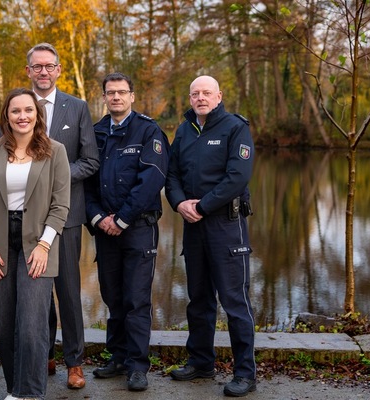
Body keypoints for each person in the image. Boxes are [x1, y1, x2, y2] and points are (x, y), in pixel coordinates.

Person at [0, 88, 70, 400]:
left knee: (31, 324)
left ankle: (30, 393)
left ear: (37, 114)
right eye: (16, 111)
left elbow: (60, 206)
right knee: (4, 325)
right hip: (0, 242)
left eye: (29, 110)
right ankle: (14, 389)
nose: (23, 116)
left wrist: (44, 245)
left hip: (38, 242)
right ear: (7, 116)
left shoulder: (56, 151)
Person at [164, 75, 256, 397]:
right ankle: (201, 362)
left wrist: (202, 205)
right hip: (193, 226)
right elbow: (171, 174)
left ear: (219, 95)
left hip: (226, 227)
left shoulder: (235, 128)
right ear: (189, 98)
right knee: (199, 300)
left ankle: (245, 373)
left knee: (235, 302)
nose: (201, 97)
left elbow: (237, 177)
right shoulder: (184, 130)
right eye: (195, 93)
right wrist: (178, 203)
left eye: (206, 92)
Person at [84, 73, 169, 391]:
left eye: (122, 92)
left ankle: (137, 365)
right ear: (104, 97)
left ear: (132, 96)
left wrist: (121, 220)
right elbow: (86, 184)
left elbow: (152, 180)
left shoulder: (148, 131)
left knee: (136, 298)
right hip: (104, 230)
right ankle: (117, 357)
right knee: (112, 296)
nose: (116, 97)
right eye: (110, 93)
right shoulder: (95, 133)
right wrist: (96, 218)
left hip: (137, 229)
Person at [25, 42, 99, 389]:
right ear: (29, 71)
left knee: (68, 292)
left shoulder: (78, 107)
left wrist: (56, 175)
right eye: (37, 67)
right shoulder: (19, 107)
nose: (43, 72)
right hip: (26, 217)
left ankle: (75, 362)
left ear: (58, 70)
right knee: (36, 291)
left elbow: (90, 160)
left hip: (67, 216)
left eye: (49, 66)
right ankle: (45, 355)